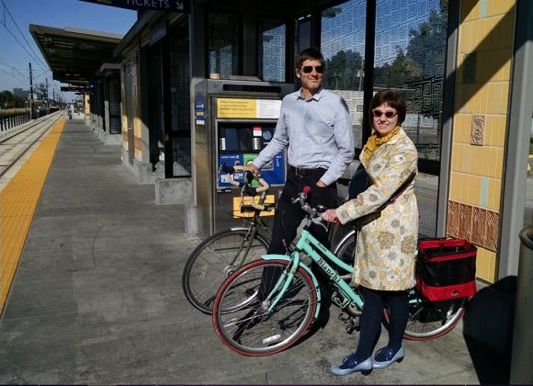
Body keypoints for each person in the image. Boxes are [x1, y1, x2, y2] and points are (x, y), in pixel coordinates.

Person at [248, 48, 354, 316]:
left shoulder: (335, 103)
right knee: (278, 240)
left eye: (319, 69)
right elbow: (280, 140)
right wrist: (256, 162)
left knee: (317, 246)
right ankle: (266, 296)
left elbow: (346, 151)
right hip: (294, 179)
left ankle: (319, 305)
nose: (314, 73)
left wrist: (324, 181)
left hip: (321, 181)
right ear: (298, 73)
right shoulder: (289, 102)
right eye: (308, 69)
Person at [322, 89, 419, 375]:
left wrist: (342, 212)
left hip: (394, 230)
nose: (382, 118)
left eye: (389, 113)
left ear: (399, 115)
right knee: (372, 292)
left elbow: (380, 192)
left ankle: (394, 345)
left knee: (395, 292)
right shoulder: (376, 143)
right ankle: (364, 354)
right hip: (373, 226)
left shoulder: (403, 149)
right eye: (377, 113)